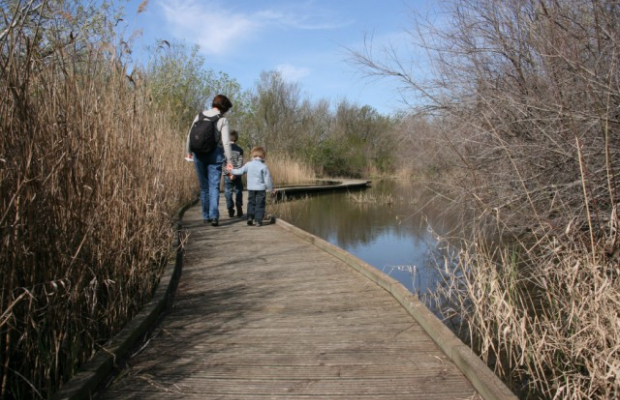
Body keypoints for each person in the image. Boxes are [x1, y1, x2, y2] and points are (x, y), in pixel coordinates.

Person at [186, 94, 233, 226]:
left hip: (199, 154)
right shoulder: (222, 120)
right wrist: (229, 161)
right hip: (215, 155)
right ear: (224, 108)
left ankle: (205, 216)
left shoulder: (199, 115)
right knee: (214, 186)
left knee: (204, 187)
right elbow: (226, 143)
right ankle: (214, 217)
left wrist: (189, 152)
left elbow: (189, 136)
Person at [228, 146, 274, 226]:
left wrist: (231, 170)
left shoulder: (248, 164)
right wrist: (271, 189)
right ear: (263, 156)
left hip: (251, 188)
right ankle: (258, 220)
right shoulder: (263, 166)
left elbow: (240, 171)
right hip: (261, 189)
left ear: (253, 155)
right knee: (260, 204)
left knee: (251, 203)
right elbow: (267, 180)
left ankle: (249, 217)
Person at [222, 130, 244, 218]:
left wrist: (229, 173)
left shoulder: (223, 149)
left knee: (228, 191)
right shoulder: (240, 150)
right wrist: (235, 173)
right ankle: (239, 207)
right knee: (238, 190)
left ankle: (230, 209)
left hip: (227, 175)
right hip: (237, 174)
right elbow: (240, 163)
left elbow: (223, 163)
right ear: (236, 138)